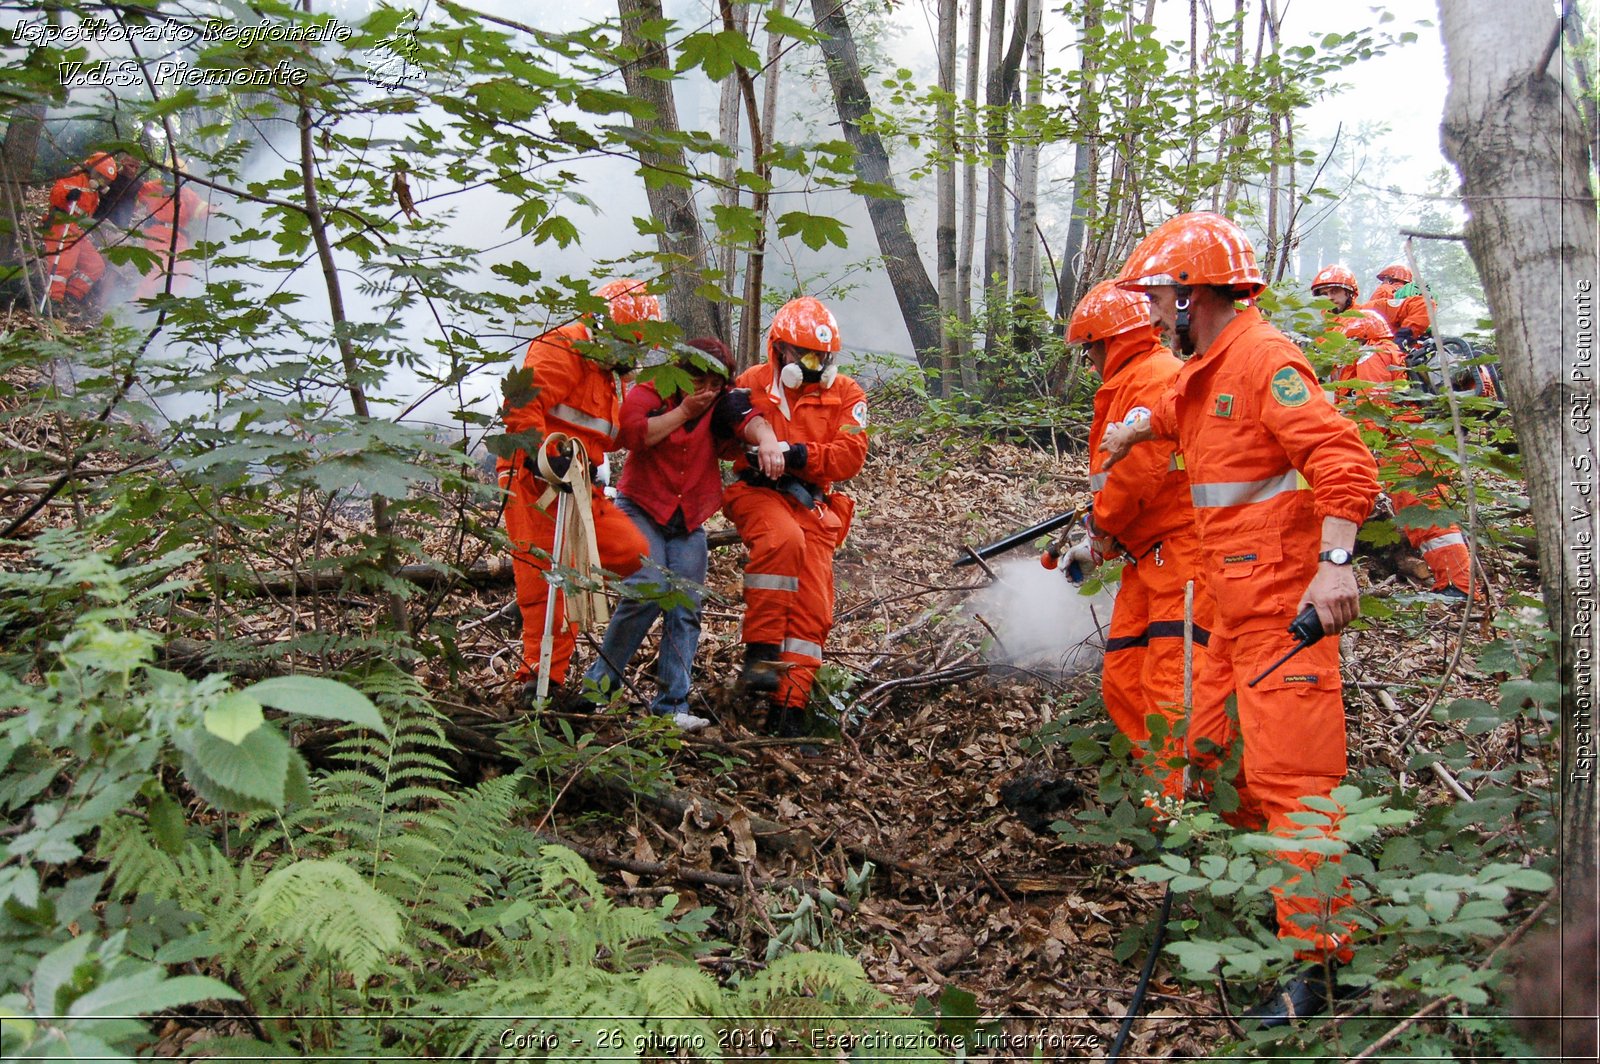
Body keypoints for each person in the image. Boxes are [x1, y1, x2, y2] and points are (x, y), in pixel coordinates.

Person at [1100, 212, 1380, 1025]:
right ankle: (1253, 896)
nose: (1151, 318)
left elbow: (1342, 460)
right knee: (1200, 747)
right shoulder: (1207, 369)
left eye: (1158, 301)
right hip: (1228, 612)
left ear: (1192, 296)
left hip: (1282, 614)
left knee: (1294, 783)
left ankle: (1323, 964)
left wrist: (1334, 566)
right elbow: (1186, 410)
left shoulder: (1266, 358)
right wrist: (1135, 426)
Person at [582, 337, 786, 730]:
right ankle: (597, 689)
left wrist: (767, 440)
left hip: (690, 519)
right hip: (642, 507)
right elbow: (631, 434)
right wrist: (682, 413)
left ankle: (671, 705)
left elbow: (747, 420)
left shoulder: (721, 403)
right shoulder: (653, 391)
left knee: (685, 608)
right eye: (697, 379)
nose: (705, 389)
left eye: (713, 382)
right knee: (646, 591)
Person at [1063, 279, 1214, 806]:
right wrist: (1099, 536)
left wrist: (1100, 534)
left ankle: (1180, 820)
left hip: (1182, 553)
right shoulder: (1131, 381)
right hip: (1147, 555)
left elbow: (1133, 475)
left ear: (1111, 341)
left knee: (1170, 690)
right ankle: (1162, 792)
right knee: (1124, 678)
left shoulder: (1152, 377)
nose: (1089, 363)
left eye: (1090, 350)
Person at [498, 279, 656, 707]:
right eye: (629, 345)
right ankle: (540, 684)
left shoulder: (610, 376)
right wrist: (538, 455)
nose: (633, 356)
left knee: (632, 552)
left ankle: (535, 612)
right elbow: (519, 401)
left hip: (582, 486)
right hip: (533, 480)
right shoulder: (564, 346)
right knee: (548, 583)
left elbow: (611, 433)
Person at [725, 296, 868, 738]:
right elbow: (725, 425)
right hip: (758, 493)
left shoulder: (846, 394)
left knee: (813, 609)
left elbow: (850, 456)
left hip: (813, 503)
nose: (815, 363)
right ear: (780, 349)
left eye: (823, 356)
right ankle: (762, 654)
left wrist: (799, 454)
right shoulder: (752, 383)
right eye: (806, 354)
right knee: (782, 541)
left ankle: (791, 709)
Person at [1326, 308, 1474, 598]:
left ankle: (1459, 585)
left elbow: (1376, 407)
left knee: (1427, 518)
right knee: (1430, 515)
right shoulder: (1391, 353)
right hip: (1416, 442)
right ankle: (1457, 580)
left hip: (1406, 446)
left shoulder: (1372, 355)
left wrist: (1361, 448)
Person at [42, 152, 117, 308]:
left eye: (105, 180)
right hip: (60, 224)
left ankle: (72, 296)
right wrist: (69, 194)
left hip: (76, 230)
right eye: (99, 176)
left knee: (95, 265)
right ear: (90, 168)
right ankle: (53, 300)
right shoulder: (76, 178)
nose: (101, 182)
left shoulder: (94, 193)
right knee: (63, 263)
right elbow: (56, 193)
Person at [134, 166, 208, 299]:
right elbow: (133, 201)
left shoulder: (187, 194)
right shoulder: (152, 187)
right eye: (168, 175)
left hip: (179, 239)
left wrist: (217, 210)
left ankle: (173, 307)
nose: (171, 180)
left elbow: (203, 209)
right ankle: (138, 303)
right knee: (158, 266)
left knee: (184, 269)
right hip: (156, 234)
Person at [1363, 262, 1432, 346]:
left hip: (1386, 340)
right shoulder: (1413, 294)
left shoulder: (1384, 289)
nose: (1382, 283)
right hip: (1410, 341)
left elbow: (1370, 313)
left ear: (1389, 280)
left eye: (1383, 280)